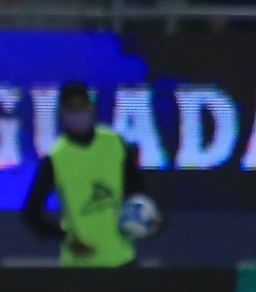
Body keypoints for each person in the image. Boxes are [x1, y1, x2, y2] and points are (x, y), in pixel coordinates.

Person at [21, 81, 160, 268]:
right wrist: (66, 239)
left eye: (82, 106)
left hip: (122, 258)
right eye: (71, 108)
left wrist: (149, 218)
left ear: (91, 108)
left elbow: (136, 189)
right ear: (62, 112)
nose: (78, 113)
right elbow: (31, 213)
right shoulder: (56, 158)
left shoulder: (114, 143)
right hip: (79, 265)